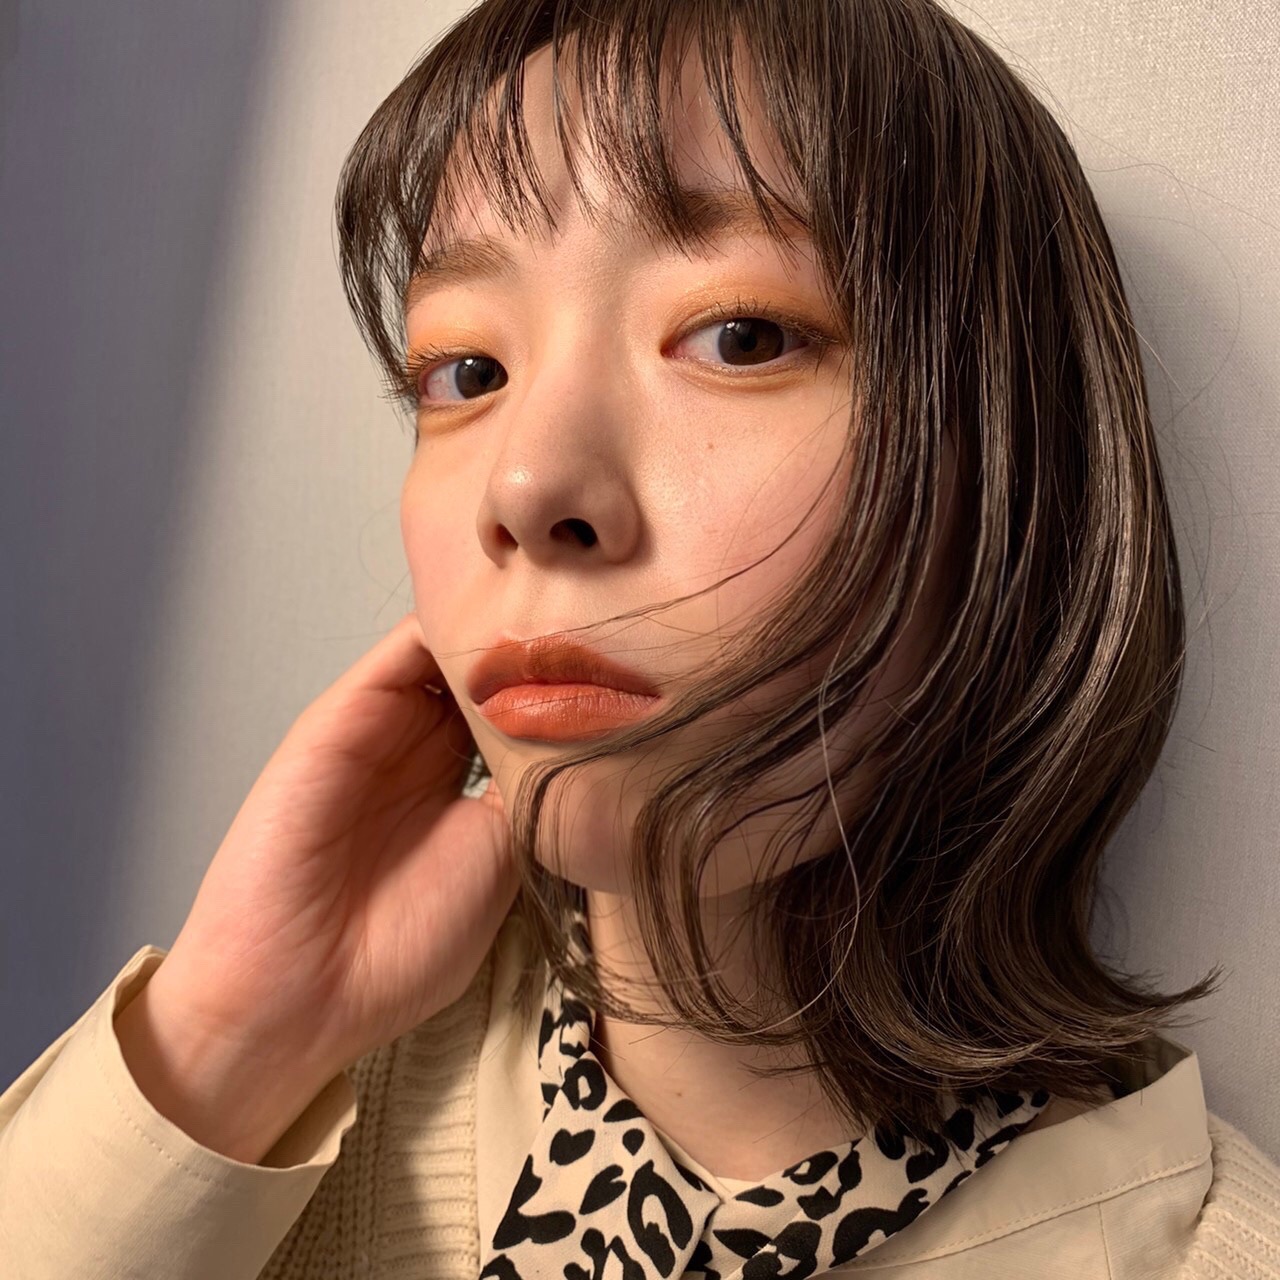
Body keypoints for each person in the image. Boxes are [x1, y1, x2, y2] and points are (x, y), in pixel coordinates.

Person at [2, 0, 1278, 1277]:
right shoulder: (274, 1105)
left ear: (1013, 475)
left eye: (738, 336)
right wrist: (223, 1041)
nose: (525, 485)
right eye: (465, 370)